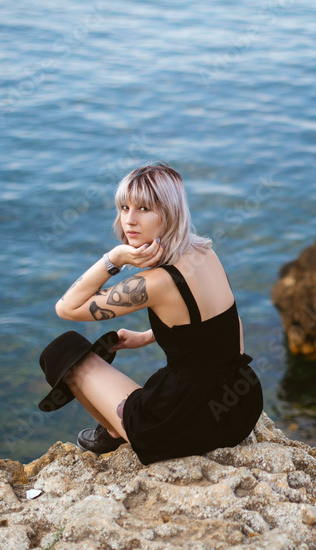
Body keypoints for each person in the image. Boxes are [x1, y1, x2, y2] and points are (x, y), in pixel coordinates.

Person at [37, 162, 263, 464]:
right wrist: (147, 336)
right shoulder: (204, 251)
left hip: (181, 427)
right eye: (123, 207)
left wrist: (113, 258)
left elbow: (67, 307)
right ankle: (121, 424)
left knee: (63, 351)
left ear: (168, 213)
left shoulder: (156, 282)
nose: (129, 220)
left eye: (144, 208)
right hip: (240, 408)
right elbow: (225, 324)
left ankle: (114, 431)